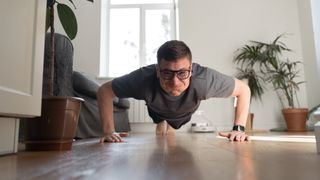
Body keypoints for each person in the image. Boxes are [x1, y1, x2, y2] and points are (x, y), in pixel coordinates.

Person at [97, 40, 251, 143]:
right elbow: (105, 91)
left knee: (173, 127)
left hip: (184, 113)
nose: (175, 82)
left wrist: (238, 129)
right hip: (157, 110)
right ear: (157, 71)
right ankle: (162, 123)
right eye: (167, 73)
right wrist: (108, 131)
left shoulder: (204, 80)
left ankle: (170, 125)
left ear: (191, 70)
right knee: (161, 125)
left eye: (182, 73)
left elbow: (243, 90)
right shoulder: (143, 79)